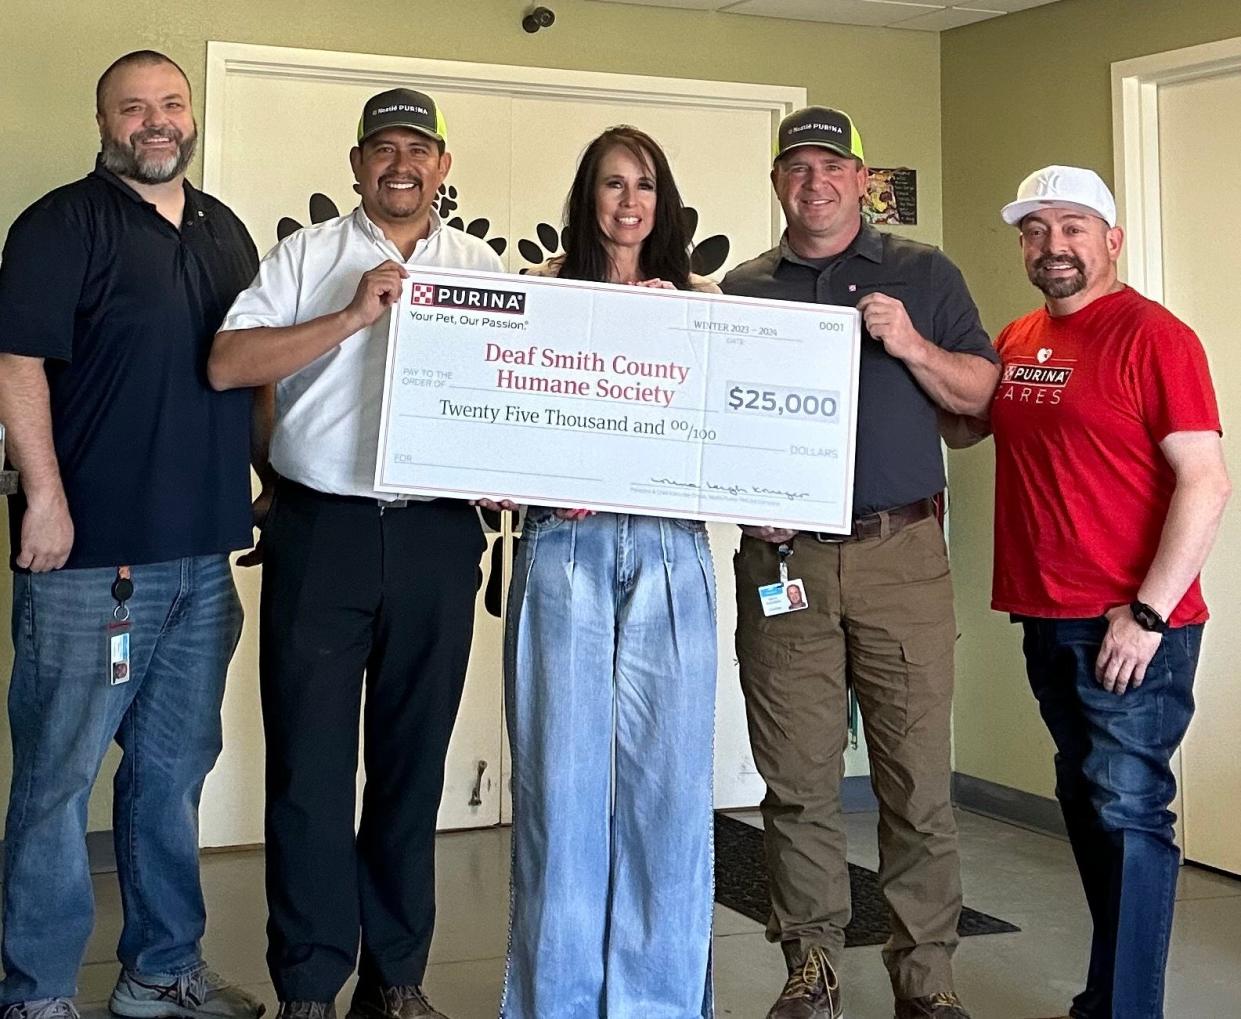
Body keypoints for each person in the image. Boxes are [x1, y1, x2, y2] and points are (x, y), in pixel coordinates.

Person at [209, 89, 500, 1019]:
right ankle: (306, 983)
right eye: (384, 148)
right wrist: (347, 316)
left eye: (420, 148)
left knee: (413, 766)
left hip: (437, 535)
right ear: (356, 163)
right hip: (320, 529)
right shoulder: (307, 256)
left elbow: (520, 390)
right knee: (308, 770)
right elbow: (227, 363)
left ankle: (396, 977)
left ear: (444, 168)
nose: (401, 164)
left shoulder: (482, 266)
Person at [721, 107, 1000, 1019]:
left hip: (902, 552)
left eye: (829, 167)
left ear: (860, 178)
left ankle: (926, 981)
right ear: (777, 182)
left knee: (916, 782)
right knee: (795, 780)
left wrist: (911, 342)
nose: (814, 183)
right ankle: (812, 968)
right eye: (795, 168)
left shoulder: (922, 273)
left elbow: (983, 399)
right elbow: (711, 424)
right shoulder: (744, 287)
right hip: (782, 560)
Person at [0, 50, 262, 1019]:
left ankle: (160, 971)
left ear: (188, 116)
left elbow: (247, 367)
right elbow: (18, 362)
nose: (155, 121)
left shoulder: (222, 229)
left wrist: (271, 482)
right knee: (59, 780)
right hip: (91, 561)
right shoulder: (59, 225)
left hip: (200, 556)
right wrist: (44, 497)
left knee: (172, 774)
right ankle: (35, 992)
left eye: (169, 104)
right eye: (133, 108)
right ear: (104, 120)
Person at [985, 165, 1229, 1019]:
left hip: (1128, 624)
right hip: (1046, 615)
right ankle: (1106, 1000)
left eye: (1073, 227)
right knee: (1088, 811)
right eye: (1036, 229)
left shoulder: (1154, 336)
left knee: (1127, 815)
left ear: (1110, 241)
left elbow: (1205, 480)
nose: (1053, 245)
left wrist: (1148, 612)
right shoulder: (1017, 339)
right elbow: (966, 413)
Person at [499, 126, 719, 1019]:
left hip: (671, 548)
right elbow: (501, 427)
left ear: (662, 204)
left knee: (668, 793)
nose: (628, 203)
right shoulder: (535, 297)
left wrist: (679, 333)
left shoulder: (702, 304)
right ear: (586, 197)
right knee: (560, 785)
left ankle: (658, 1003)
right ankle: (553, 1002)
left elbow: (730, 436)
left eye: (645, 187)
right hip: (565, 548)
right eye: (611, 184)